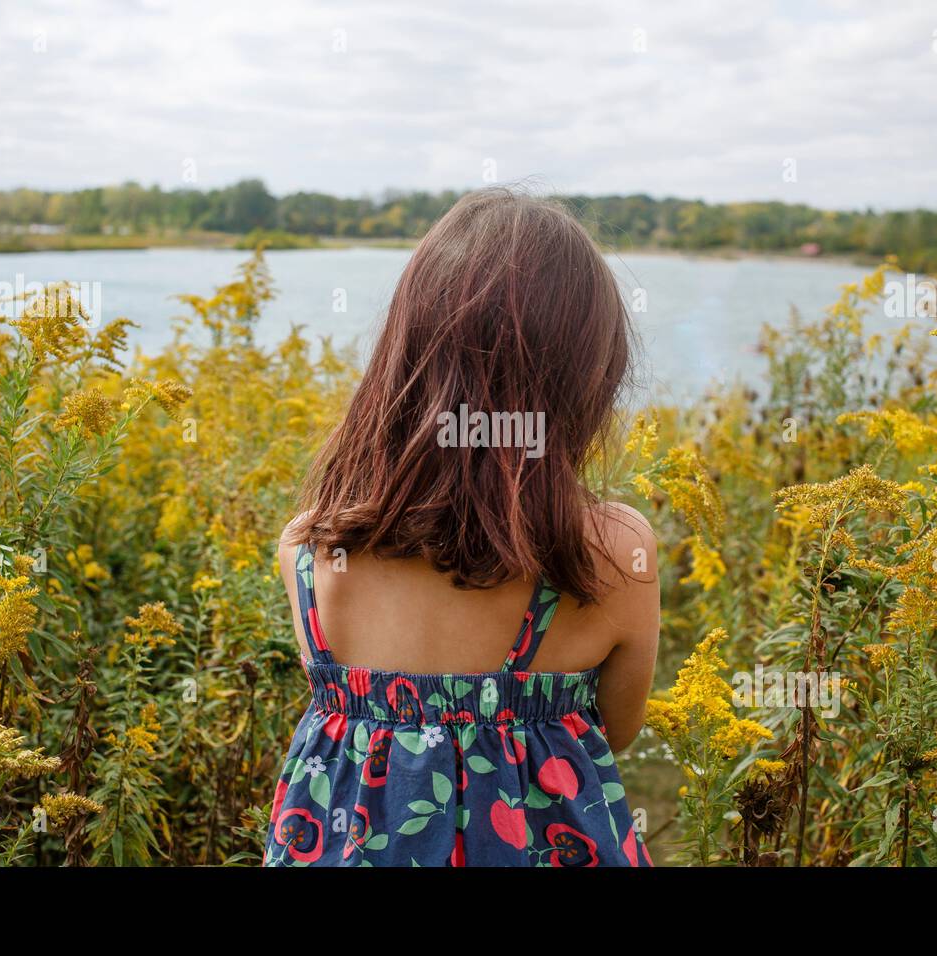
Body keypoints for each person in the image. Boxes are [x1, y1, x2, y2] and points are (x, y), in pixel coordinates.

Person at [265, 188, 658, 867]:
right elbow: (614, 731)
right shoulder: (612, 552)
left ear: (402, 358)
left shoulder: (310, 550)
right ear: (586, 376)